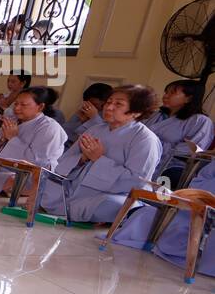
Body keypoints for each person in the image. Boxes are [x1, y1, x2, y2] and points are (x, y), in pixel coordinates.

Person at [38, 84, 162, 222]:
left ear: (136, 112)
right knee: (43, 183)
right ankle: (66, 207)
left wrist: (99, 159)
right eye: (109, 102)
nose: (109, 107)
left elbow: (137, 182)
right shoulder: (95, 129)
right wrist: (82, 159)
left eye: (118, 104)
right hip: (75, 186)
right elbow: (63, 162)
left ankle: (68, 209)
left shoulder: (145, 139)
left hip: (111, 194)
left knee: (111, 205)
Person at [0, 88, 68, 195]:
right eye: (16, 104)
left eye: (23, 105)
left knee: (11, 181)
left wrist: (12, 139)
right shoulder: (13, 120)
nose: (17, 108)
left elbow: (38, 162)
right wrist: (2, 141)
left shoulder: (50, 127)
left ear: (40, 107)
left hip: (27, 176)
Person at [143, 79, 213, 182]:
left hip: (171, 167)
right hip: (143, 157)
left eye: (172, 93)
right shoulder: (157, 114)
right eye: (166, 92)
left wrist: (154, 145)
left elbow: (192, 151)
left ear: (188, 98)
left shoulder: (200, 121)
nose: (166, 96)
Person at [63, 82, 113, 147]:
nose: (92, 108)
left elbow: (106, 136)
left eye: (103, 105)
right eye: (92, 104)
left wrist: (94, 118)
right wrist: (83, 122)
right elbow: (64, 133)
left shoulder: (111, 116)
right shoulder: (84, 111)